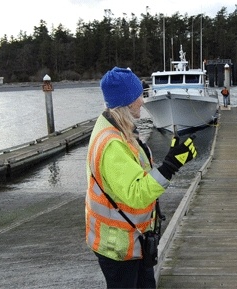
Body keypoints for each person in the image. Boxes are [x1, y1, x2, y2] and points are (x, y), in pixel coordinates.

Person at [85, 67, 197, 289]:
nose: (142, 102)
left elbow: (137, 174)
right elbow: (137, 194)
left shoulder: (118, 129)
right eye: (139, 96)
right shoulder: (112, 144)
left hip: (132, 240)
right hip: (118, 246)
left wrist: (169, 159)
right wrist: (171, 165)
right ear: (127, 102)